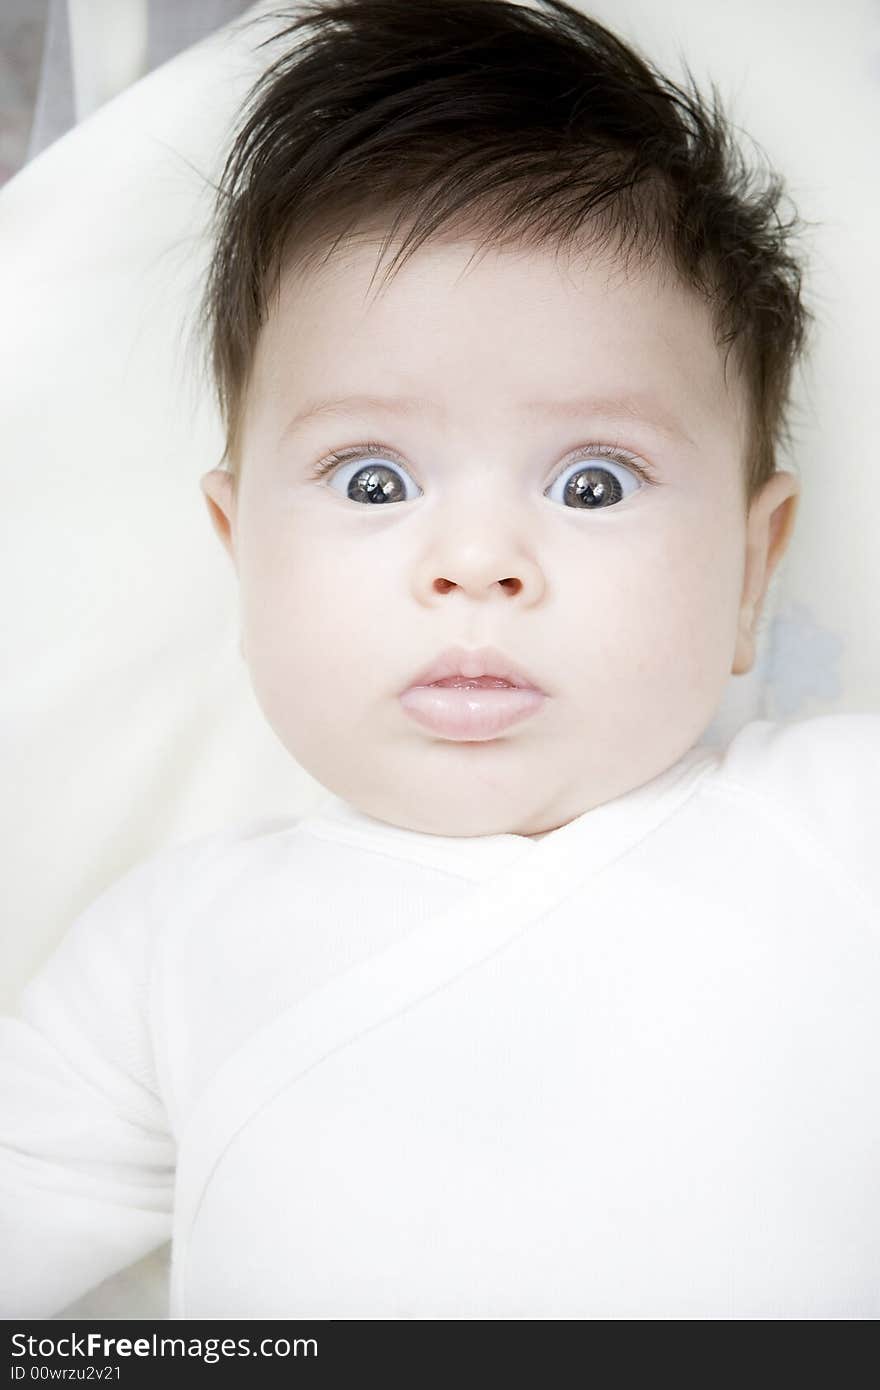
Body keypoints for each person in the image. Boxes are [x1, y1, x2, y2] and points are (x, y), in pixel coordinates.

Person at [2, 0, 878, 1320]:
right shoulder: (159, 954)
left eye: (592, 483)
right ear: (241, 551)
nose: (476, 560)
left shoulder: (836, 822)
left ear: (755, 570)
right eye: (371, 478)